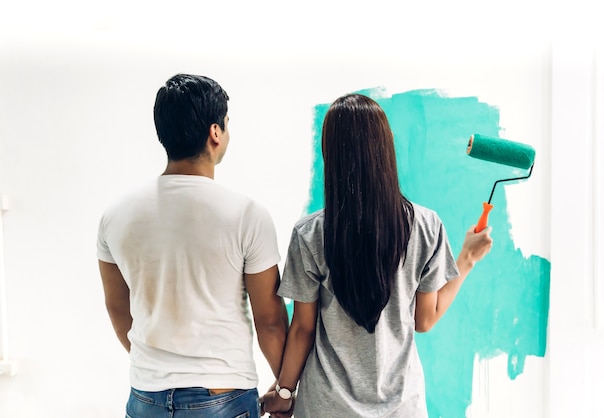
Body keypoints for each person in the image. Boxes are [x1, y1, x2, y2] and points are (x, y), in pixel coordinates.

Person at [261, 93, 493, 418]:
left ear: (330, 153)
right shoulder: (425, 225)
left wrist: (284, 392)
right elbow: (424, 320)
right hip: (402, 407)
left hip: (326, 407)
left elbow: (303, 329)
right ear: (387, 145)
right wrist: (466, 259)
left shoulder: (310, 234)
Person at [97, 74, 288, 417]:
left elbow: (116, 306)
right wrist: (286, 388)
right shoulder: (247, 214)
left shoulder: (116, 215)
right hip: (222, 396)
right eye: (227, 123)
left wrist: (156, 366)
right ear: (215, 132)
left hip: (145, 397)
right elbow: (270, 319)